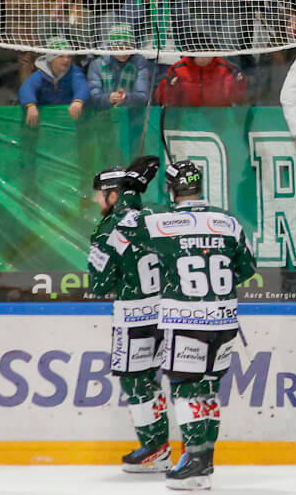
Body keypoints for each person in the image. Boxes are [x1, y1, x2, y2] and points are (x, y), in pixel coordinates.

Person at [122, 160, 257, 490]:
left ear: (170, 189)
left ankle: (194, 464)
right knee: (208, 390)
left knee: (186, 390)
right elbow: (247, 267)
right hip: (224, 320)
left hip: (186, 321)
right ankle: (203, 460)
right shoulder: (228, 222)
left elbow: (124, 225)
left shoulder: (163, 222)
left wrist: (133, 189)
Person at [85, 156, 167, 472]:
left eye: (100, 194)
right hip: (168, 314)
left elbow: (100, 284)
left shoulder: (107, 228)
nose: (97, 200)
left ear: (114, 194)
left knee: (136, 383)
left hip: (134, 318)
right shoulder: (158, 215)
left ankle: (155, 448)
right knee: (162, 381)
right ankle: (163, 446)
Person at [20, 39, 88, 128]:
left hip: (69, 121)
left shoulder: (75, 73)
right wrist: (30, 105)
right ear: (50, 59)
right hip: (45, 122)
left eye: (69, 56)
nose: (66, 60)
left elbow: (82, 86)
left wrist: (78, 101)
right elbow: (27, 88)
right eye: (61, 56)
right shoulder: (41, 74)